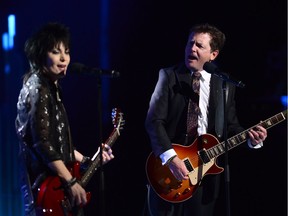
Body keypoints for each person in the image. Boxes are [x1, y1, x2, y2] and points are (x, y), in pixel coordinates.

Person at [144, 23, 267, 216]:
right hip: (169, 170)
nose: (192, 48)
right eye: (190, 43)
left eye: (199, 46)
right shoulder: (168, 76)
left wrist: (252, 140)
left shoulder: (224, 85)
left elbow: (231, 126)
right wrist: (171, 158)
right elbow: (154, 121)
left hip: (205, 176)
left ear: (213, 55)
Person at [15, 22, 114, 216]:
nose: (64, 59)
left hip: (57, 187)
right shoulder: (38, 88)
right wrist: (70, 181)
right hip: (44, 188)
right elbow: (42, 144)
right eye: (55, 52)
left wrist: (88, 161)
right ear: (40, 56)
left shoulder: (52, 88)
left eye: (66, 52)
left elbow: (58, 143)